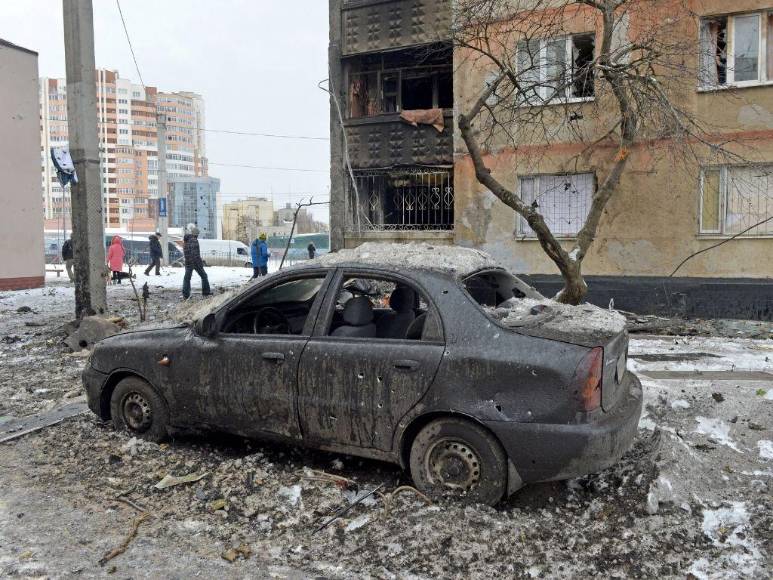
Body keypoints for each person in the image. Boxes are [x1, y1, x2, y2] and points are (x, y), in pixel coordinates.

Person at [182, 223, 211, 299]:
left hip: (188, 262)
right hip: (194, 262)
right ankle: (206, 292)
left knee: (187, 278)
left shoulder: (186, 240)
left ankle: (186, 295)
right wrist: (200, 263)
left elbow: (186, 252)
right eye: (198, 234)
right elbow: (195, 254)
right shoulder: (194, 240)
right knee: (204, 276)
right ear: (196, 234)